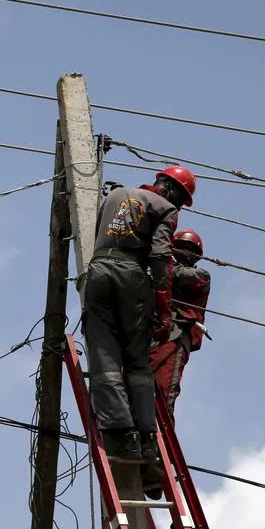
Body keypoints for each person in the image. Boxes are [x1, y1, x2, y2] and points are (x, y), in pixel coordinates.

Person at [82, 165, 197, 464]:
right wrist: (163, 309)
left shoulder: (114, 196)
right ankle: (144, 437)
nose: (179, 207)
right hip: (131, 277)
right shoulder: (165, 209)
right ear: (173, 191)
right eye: (181, 201)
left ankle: (118, 433)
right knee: (136, 359)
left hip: (98, 272)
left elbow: (98, 235)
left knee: (103, 352)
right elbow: (160, 256)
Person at [149, 229, 211, 424]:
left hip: (176, 335)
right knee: (141, 381)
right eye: (181, 247)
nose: (185, 252)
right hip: (153, 333)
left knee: (164, 386)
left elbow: (177, 275)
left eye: (189, 249)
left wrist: (158, 265)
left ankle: (163, 431)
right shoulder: (161, 271)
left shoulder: (201, 275)